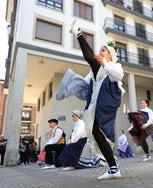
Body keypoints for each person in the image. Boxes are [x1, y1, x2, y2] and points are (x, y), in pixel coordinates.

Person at [66, 19, 125, 180]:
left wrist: (104, 62)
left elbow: (118, 75)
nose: (100, 52)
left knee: (99, 131)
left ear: (110, 55)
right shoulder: (98, 70)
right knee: (95, 132)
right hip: (97, 103)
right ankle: (113, 168)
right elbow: (89, 82)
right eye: (100, 50)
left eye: (103, 50)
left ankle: (77, 32)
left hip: (108, 102)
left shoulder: (113, 66)